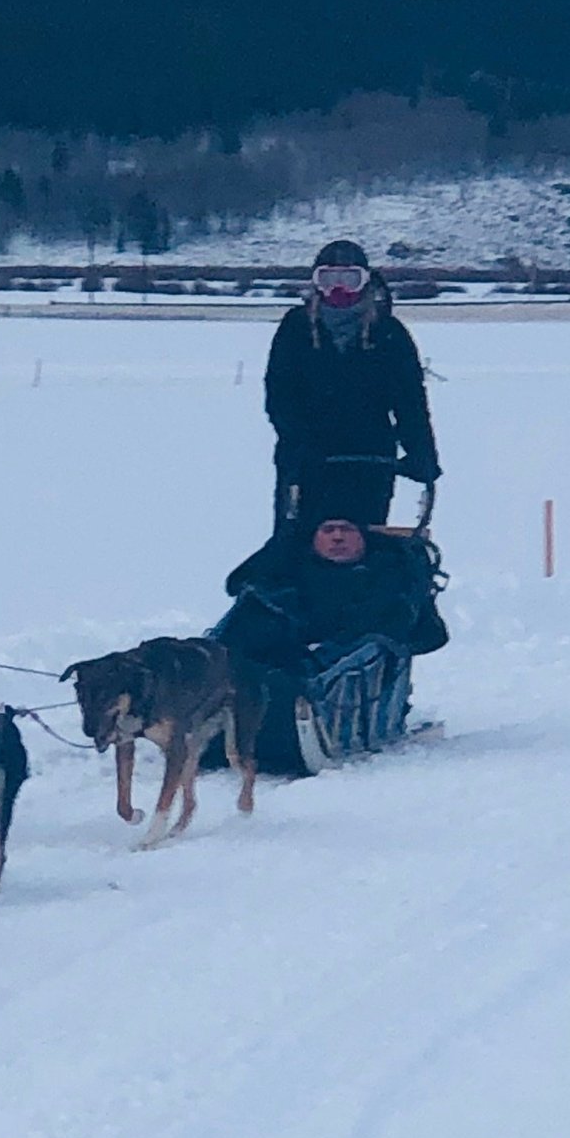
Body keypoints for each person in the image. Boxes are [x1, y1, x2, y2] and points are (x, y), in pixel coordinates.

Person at [213, 502, 448, 771]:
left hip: (336, 677)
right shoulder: (284, 578)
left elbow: (415, 631)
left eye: (346, 530)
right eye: (328, 530)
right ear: (314, 538)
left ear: (363, 538)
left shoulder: (386, 580)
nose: (337, 537)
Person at [263, 238, 440, 534]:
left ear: (366, 282)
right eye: (329, 279)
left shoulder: (388, 332)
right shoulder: (296, 328)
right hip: (305, 460)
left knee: (364, 542)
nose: (339, 289)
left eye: (349, 279)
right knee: (299, 542)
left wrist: (422, 453)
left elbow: (410, 403)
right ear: (316, 283)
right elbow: (280, 395)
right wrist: (299, 441)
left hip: (370, 459)